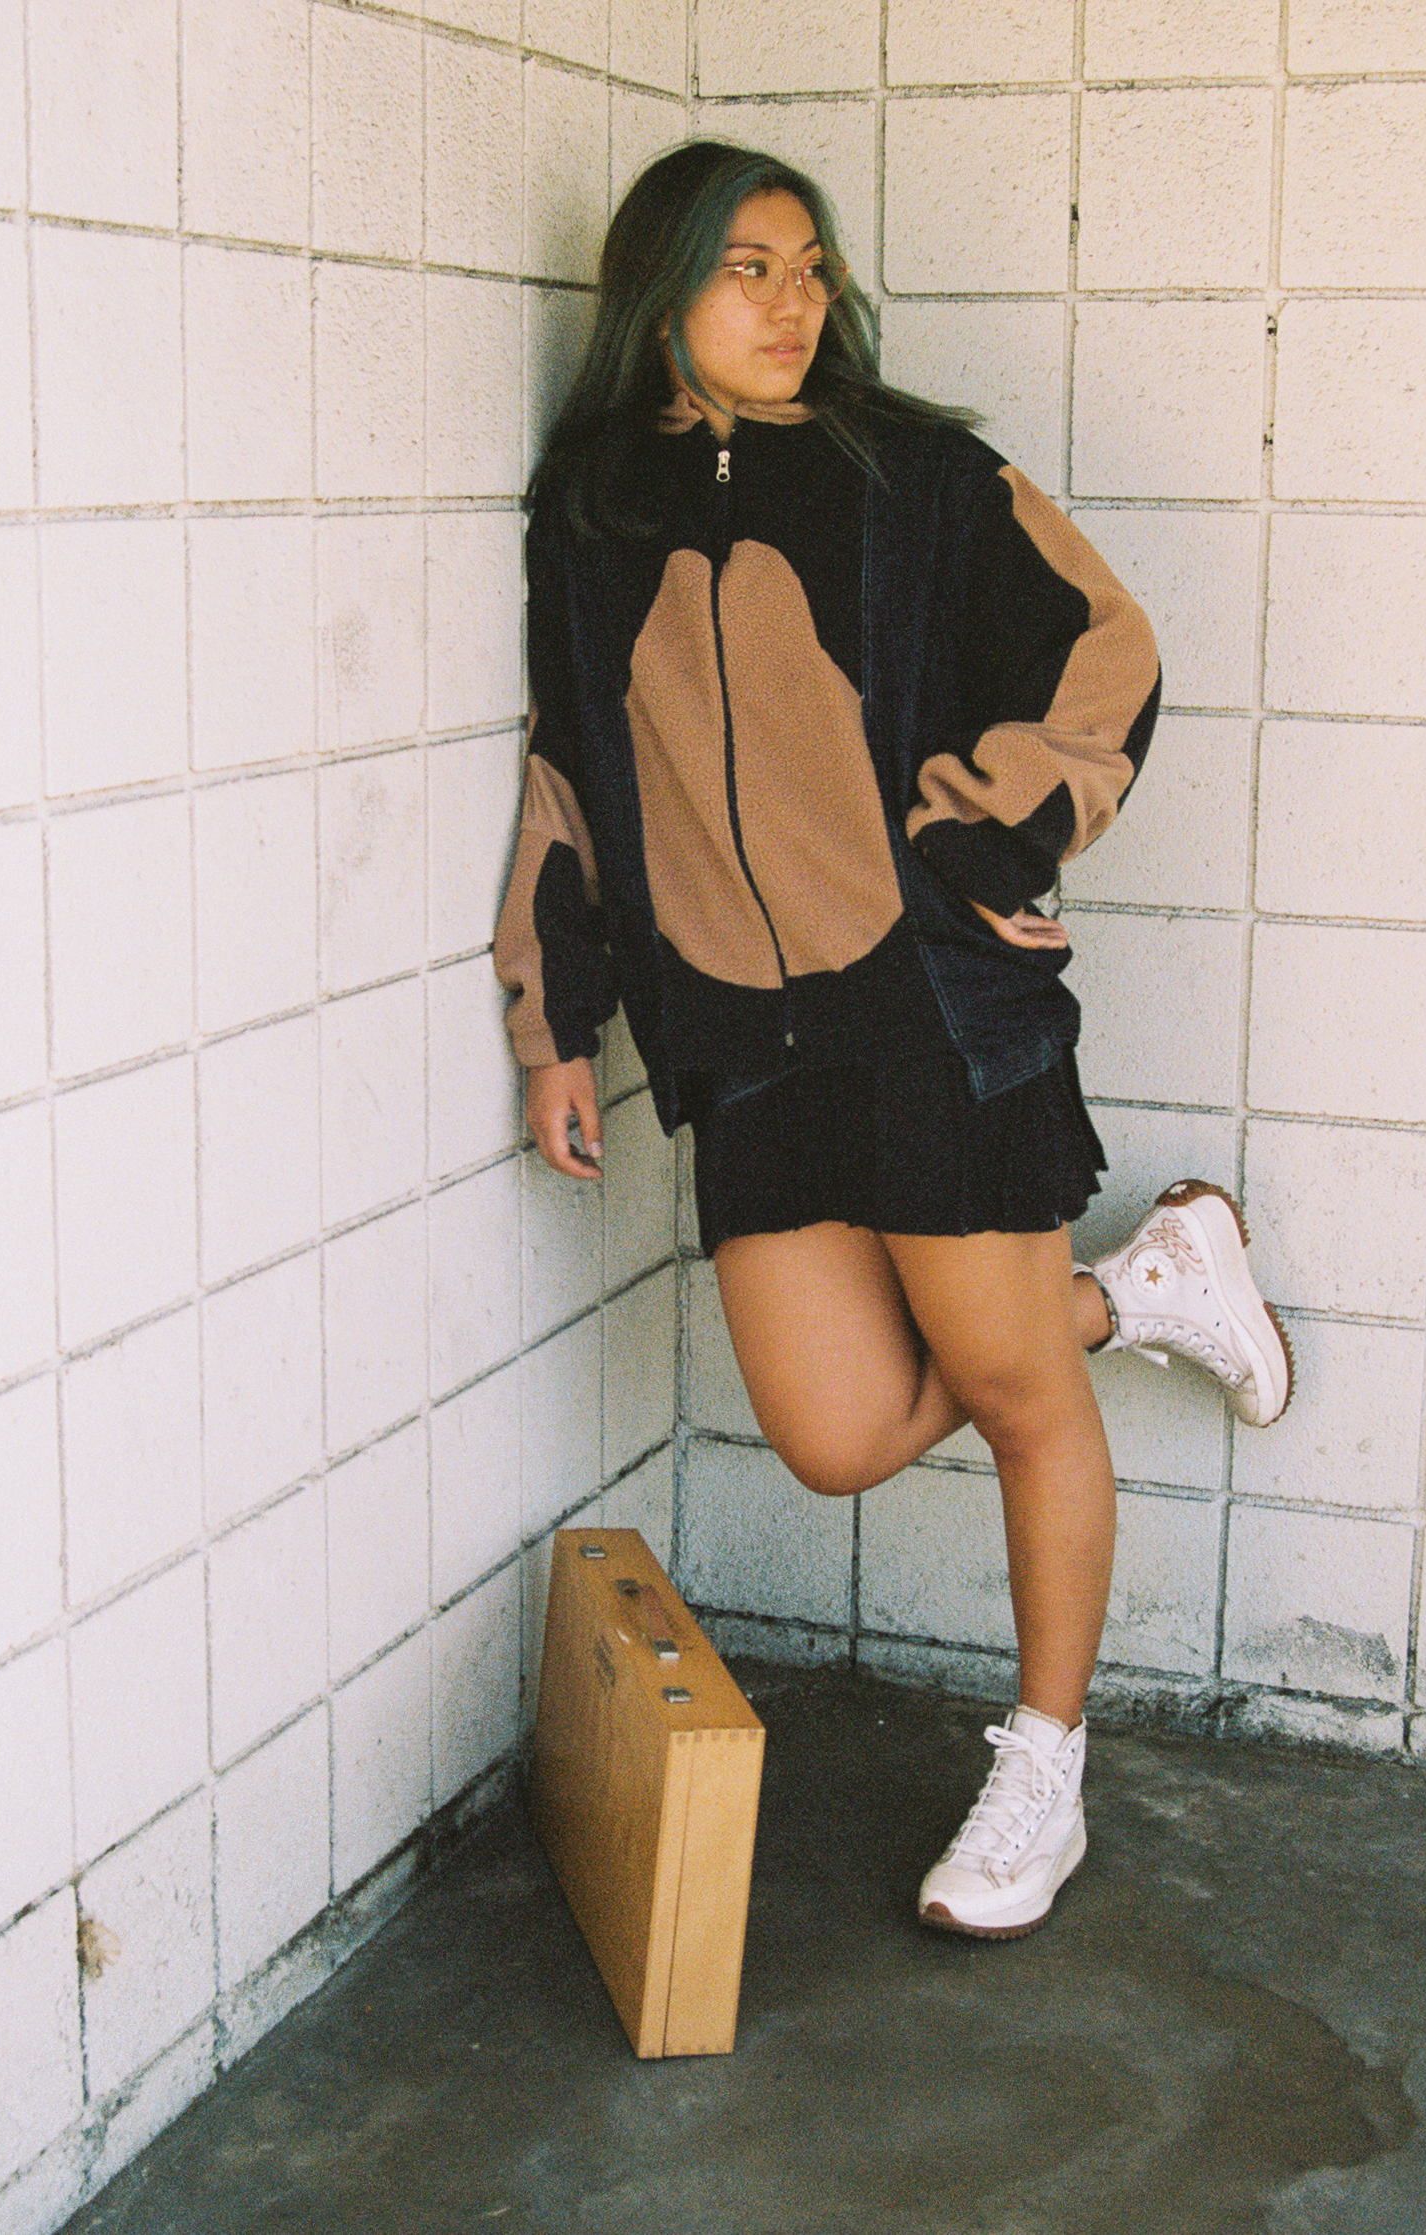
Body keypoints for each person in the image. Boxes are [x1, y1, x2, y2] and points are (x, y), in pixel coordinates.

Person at [494, 141, 1292, 1941]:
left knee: (1012, 1399)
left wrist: (971, 847)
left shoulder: (911, 474)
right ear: (660, 296)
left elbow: (1104, 650)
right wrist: (559, 1024)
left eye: (810, 269)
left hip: (932, 1013)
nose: (792, 303)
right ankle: (1138, 1289)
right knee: (837, 1433)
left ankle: (1041, 1769)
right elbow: (568, 771)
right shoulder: (591, 507)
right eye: (746, 269)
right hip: (739, 1038)